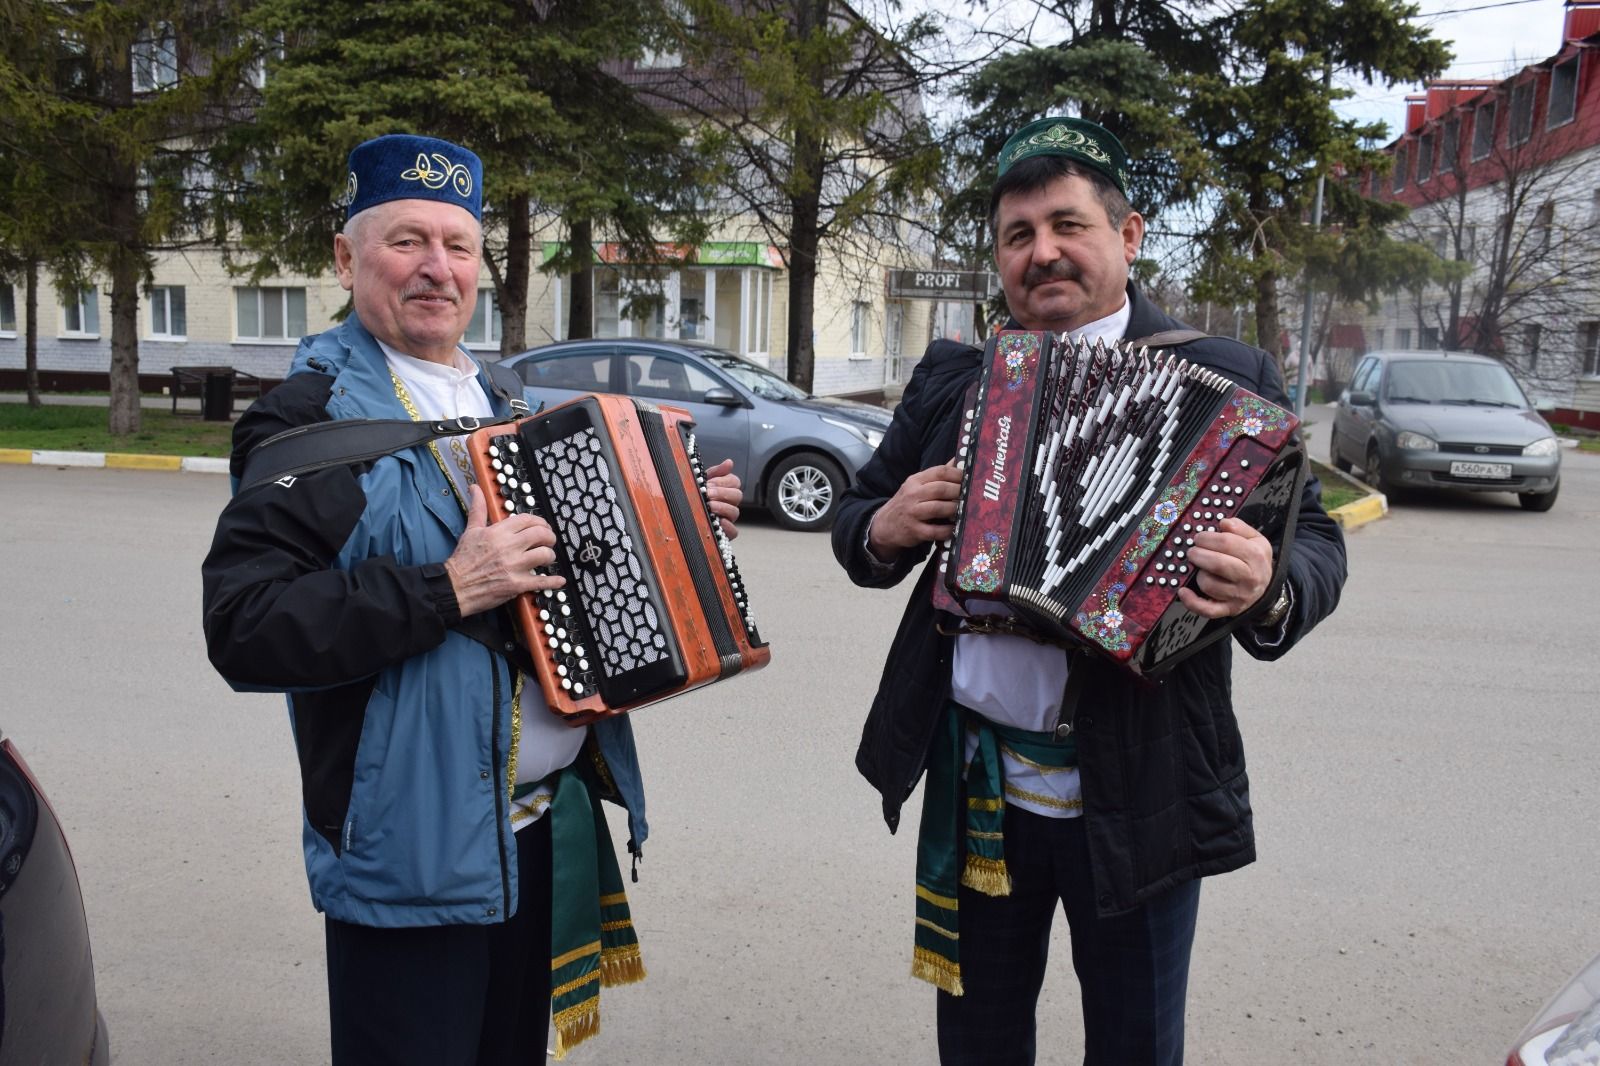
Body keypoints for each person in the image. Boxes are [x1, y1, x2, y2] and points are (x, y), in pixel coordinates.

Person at [201, 133, 742, 1066]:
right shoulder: (306, 420)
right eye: (406, 241)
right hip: (409, 852)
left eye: (457, 244)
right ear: (345, 258)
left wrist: (675, 525)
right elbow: (246, 628)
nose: (436, 269)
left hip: (539, 831)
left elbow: (554, 588)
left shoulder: (501, 398)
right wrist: (446, 588)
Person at [831, 117, 1348, 1066]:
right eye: (1017, 235)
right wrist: (883, 525)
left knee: (1135, 1043)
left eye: (1068, 224)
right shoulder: (955, 379)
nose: (1044, 253)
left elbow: (1313, 541)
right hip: (980, 786)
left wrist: (1269, 588)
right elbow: (857, 526)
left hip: (1140, 784)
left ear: (1130, 235)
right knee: (979, 1041)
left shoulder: (1225, 377)